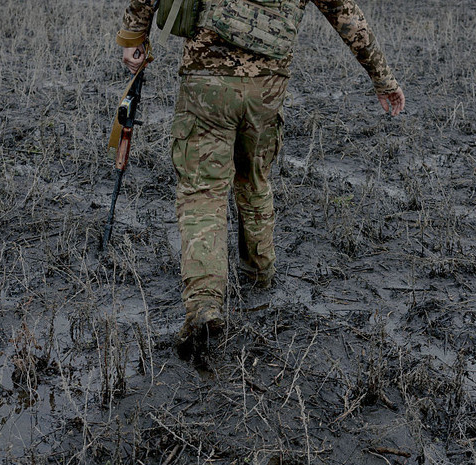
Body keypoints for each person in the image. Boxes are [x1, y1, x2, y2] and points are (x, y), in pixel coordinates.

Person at [116, 0, 405, 357]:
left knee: (202, 192)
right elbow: (345, 15)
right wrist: (383, 79)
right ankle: (259, 276)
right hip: (267, 87)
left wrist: (133, 36)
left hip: (206, 81)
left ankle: (204, 303)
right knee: (254, 180)